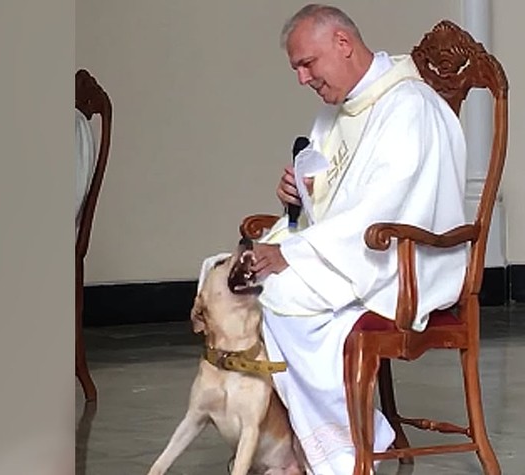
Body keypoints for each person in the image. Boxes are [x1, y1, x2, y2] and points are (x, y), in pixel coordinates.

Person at [200, 4, 470, 473]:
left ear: (342, 44)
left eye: (307, 63)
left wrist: (289, 253)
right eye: (297, 68)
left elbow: (383, 211)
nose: (303, 79)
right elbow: (333, 200)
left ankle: (343, 449)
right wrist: (299, 196)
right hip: (354, 251)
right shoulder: (339, 112)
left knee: (278, 294)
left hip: (406, 262)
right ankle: (306, 443)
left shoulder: (408, 107)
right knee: (239, 278)